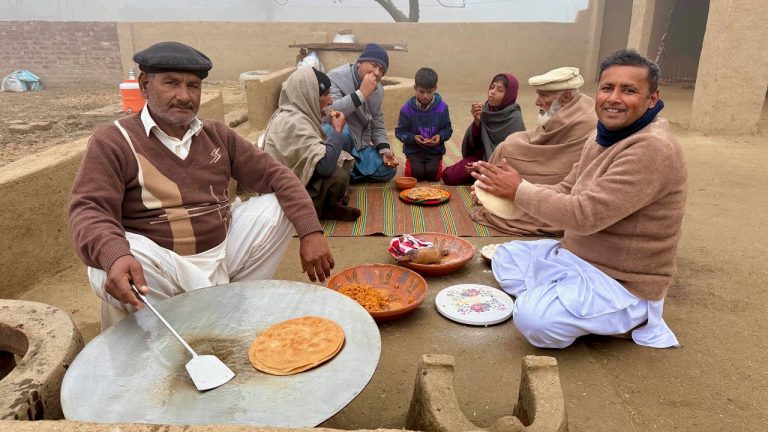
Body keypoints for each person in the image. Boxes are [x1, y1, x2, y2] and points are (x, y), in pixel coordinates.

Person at [68, 41, 335, 329]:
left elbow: (278, 175)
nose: (184, 96)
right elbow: (88, 208)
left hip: (219, 253)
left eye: (193, 86)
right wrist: (115, 254)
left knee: (277, 206)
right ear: (145, 85)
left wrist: (310, 231)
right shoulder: (113, 140)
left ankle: (229, 311)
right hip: (163, 266)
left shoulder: (216, 134)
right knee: (112, 258)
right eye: (171, 83)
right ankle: (196, 326)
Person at [473, 49, 687, 349]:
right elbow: (564, 190)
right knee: (505, 258)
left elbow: (583, 215)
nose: (614, 98)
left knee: (533, 321)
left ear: (652, 98)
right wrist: (501, 192)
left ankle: (630, 317)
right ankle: (560, 298)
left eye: (629, 90)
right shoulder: (602, 135)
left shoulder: (652, 148)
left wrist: (519, 190)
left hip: (619, 280)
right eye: (607, 88)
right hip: (575, 256)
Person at [471, 67, 597, 236]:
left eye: (543, 96)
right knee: (509, 144)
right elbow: (542, 136)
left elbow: (563, 160)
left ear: (566, 97)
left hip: (557, 171)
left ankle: (500, 192)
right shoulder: (566, 107)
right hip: (545, 154)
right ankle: (490, 189)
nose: (537, 102)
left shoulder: (585, 120)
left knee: (508, 150)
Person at [263, 67, 360, 221]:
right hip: (284, 195)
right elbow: (325, 167)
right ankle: (319, 210)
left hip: (295, 181)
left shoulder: (298, 114)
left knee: (342, 159)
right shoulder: (293, 122)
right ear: (309, 95)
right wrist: (337, 131)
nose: (331, 101)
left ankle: (327, 205)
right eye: (325, 94)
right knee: (337, 175)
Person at [326, 43, 399, 183]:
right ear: (359, 62)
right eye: (373, 65)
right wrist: (362, 94)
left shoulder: (378, 90)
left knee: (389, 170)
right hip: (339, 141)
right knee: (341, 131)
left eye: (381, 70)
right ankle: (340, 170)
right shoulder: (335, 77)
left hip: (359, 148)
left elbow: (377, 122)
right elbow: (331, 112)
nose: (377, 73)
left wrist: (384, 150)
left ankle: (343, 172)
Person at [442, 73, 525, 185]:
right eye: (492, 87)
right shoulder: (486, 110)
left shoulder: (514, 118)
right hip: (482, 156)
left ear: (509, 94)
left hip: (502, 165)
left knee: (492, 187)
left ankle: (482, 175)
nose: (493, 92)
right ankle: (481, 175)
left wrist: (484, 166)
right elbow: (475, 144)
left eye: (500, 90)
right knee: (449, 176)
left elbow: (512, 156)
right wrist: (477, 122)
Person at [395, 67, 453, 181]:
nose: (425, 96)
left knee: (434, 176)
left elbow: (448, 129)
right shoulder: (406, 109)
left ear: (435, 88)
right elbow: (400, 132)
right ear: (415, 88)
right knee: (415, 175)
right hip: (414, 151)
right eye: (421, 91)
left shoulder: (442, 107)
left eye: (429, 92)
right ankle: (413, 164)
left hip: (434, 151)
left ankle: (433, 164)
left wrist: (440, 137)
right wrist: (413, 138)